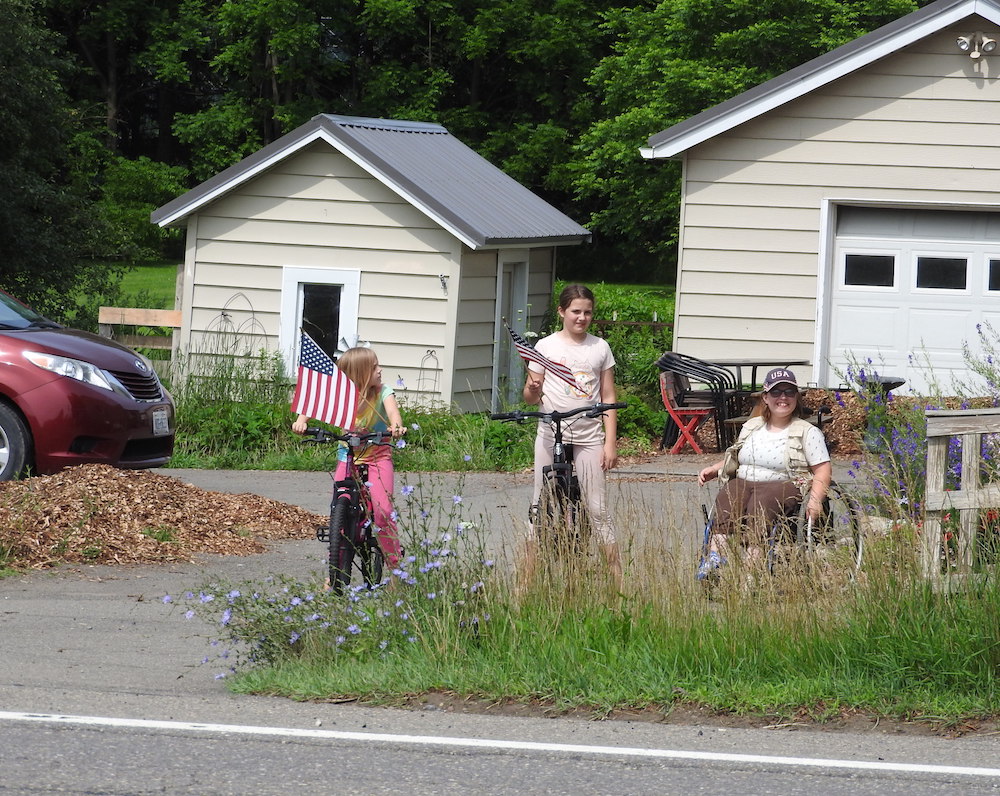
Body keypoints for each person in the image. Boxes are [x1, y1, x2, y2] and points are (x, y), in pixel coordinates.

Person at [522, 283, 622, 586]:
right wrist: (532, 389)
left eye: (587, 312)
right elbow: (530, 397)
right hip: (552, 434)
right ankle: (523, 585)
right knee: (538, 507)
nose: (582, 318)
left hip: (588, 435)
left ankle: (618, 583)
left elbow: (607, 395)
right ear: (562, 312)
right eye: (576, 311)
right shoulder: (546, 346)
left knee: (597, 508)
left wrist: (610, 442)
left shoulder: (599, 347)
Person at [696, 367, 831, 579]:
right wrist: (716, 468)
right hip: (745, 480)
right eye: (776, 392)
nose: (783, 397)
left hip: (784, 483)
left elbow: (822, 469)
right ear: (765, 397)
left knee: (762, 502)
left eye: (789, 392)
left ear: (796, 397)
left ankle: (751, 572)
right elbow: (739, 455)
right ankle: (715, 559)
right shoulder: (752, 426)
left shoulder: (808, 432)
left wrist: (815, 500)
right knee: (729, 495)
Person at [292, 346, 406, 572]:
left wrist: (396, 427)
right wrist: (301, 420)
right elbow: (316, 400)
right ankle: (335, 570)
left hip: (377, 457)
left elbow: (393, 414)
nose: (380, 370)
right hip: (349, 456)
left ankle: (396, 569)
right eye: (374, 367)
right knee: (340, 512)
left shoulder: (383, 392)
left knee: (382, 513)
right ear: (361, 373)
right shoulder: (342, 396)